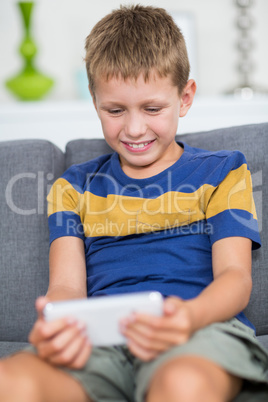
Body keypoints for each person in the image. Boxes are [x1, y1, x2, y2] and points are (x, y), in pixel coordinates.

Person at [0, 4, 268, 402]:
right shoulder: (72, 187)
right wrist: (58, 323)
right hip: (103, 341)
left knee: (180, 384)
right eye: (115, 110)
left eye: (152, 108)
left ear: (186, 96)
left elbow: (235, 278)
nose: (135, 128)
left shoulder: (224, 171)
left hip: (200, 331)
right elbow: (67, 286)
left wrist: (188, 317)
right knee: (12, 380)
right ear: (94, 101)